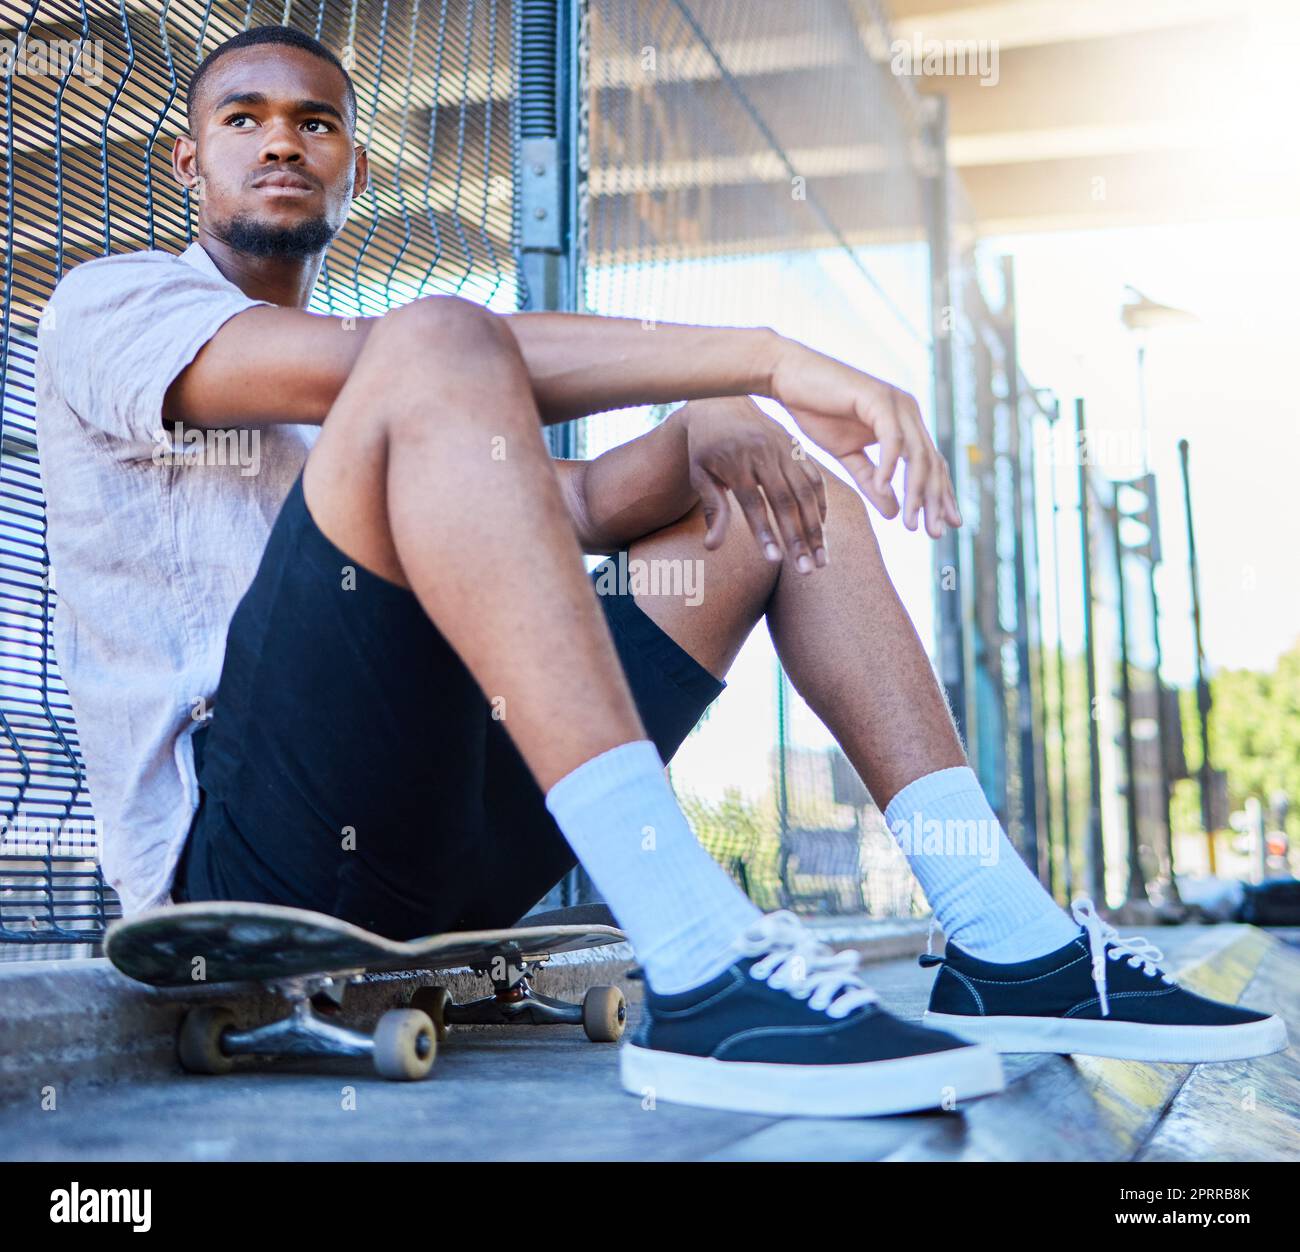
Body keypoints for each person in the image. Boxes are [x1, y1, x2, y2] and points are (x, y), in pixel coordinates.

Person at [35, 24, 1285, 1118]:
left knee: (767, 501)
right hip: (253, 856)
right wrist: (757, 352)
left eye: (314, 122)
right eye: (241, 119)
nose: (280, 142)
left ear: (355, 168)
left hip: (455, 827)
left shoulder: (412, 391)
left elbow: (565, 502)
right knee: (434, 339)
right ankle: (701, 961)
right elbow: (385, 357)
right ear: (188, 161)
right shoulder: (110, 305)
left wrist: (700, 431)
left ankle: (1008, 936)